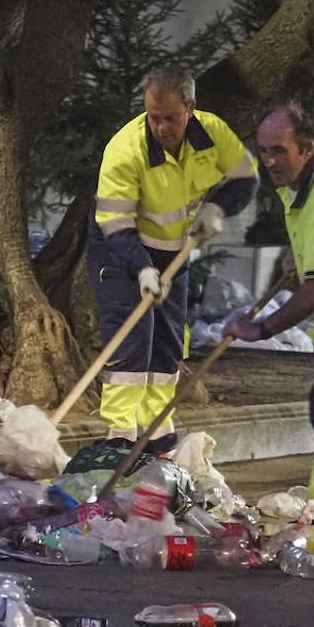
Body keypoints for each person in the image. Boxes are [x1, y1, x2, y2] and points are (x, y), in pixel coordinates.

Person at [88, 66, 258, 454]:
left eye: (169, 117)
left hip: (174, 249)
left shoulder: (211, 134)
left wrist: (217, 207)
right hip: (120, 247)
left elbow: (246, 177)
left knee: (167, 341)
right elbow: (115, 223)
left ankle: (156, 429)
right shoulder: (125, 150)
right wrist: (142, 267)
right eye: (153, 117)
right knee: (132, 338)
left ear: (190, 109)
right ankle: (119, 436)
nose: (161, 127)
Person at [223, 105, 314, 521]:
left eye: (279, 151)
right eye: (263, 150)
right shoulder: (306, 180)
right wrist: (299, 255)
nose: (269, 160)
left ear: (307, 148)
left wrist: (262, 328)